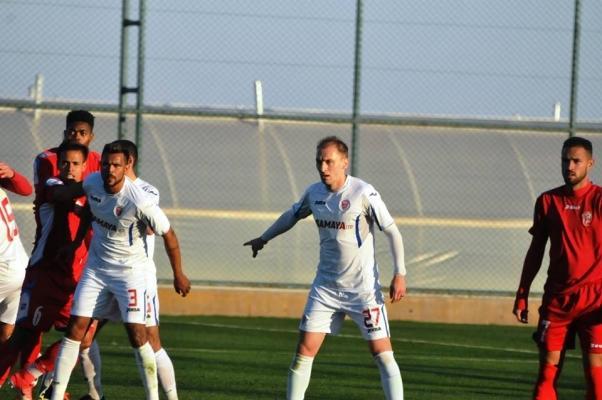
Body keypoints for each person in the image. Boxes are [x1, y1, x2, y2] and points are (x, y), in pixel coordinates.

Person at [244, 136, 407, 400]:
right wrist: (264, 238)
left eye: (329, 161)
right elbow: (292, 216)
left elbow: (392, 231)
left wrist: (400, 273)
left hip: (363, 291)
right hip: (326, 288)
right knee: (304, 352)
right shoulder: (314, 193)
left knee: (382, 354)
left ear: (344, 162)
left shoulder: (363, 193)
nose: (323, 167)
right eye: (319, 161)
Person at [50, 141, 190, 400]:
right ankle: (56, 395)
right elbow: (88, 209)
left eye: (116, 165)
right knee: (76, 329)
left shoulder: (140, 199)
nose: (110, 170)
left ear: (127, 166)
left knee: (139, 334)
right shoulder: (93, 182)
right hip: (97, 270)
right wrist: (74, 240)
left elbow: (169, 235)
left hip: (131, 273)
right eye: (105, 164)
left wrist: (178, 274)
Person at [513, 136, 602, 399]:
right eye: (565, 160)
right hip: (558, 299)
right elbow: (536, 251)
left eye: (576, 161)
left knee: (597, 380)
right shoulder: (548, 201)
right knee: (547, 375)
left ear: (590, 163)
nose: (569, 166)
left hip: (595, 299)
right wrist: (522, 293)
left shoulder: (599, 200)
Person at [8, 142, 92, 400]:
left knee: (83, 337)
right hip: (44, 275)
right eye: (64, 163)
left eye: (75, 163)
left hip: (74, 278)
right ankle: (28, 387)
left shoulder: (91, 194)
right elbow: (60, 196)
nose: (69, 168)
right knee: (24, 335)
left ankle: (31, 377)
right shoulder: (53, 184)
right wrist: (95, 184)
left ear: (84, 166)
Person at [0, 162, 33, 384]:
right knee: (7, 335)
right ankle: (29, 378)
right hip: (20, 265)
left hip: (4, 269)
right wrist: (12, 174)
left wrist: (11, 174)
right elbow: (26, 189)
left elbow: (26, 190)